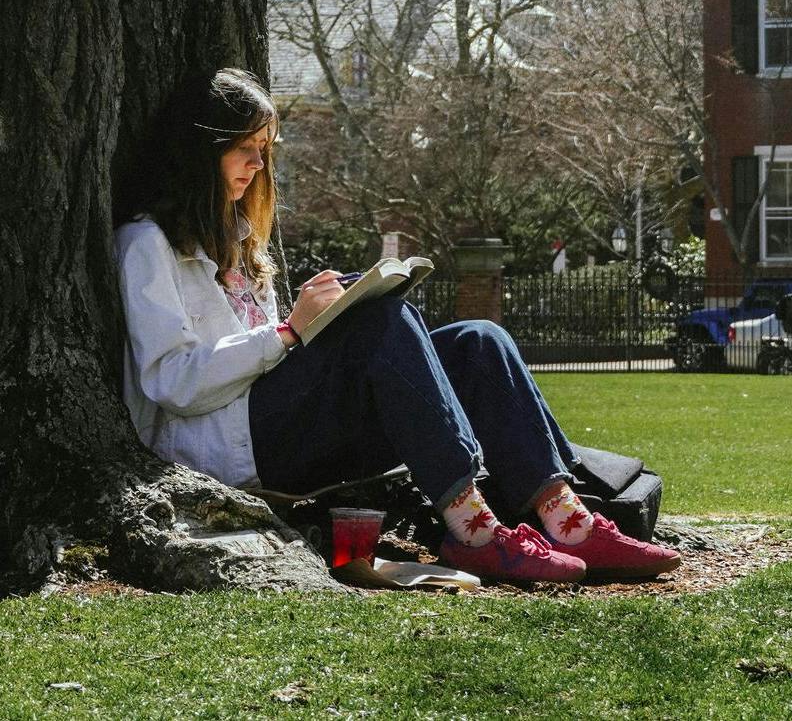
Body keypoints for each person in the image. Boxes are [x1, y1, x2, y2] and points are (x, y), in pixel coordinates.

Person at [113, 68, 679, 585]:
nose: (258, 167)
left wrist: (323, 318)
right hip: (222, 448)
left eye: (264, 151)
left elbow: (272, 358)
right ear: (199, 152)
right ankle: (474, 530)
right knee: (381, 324)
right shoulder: (147, 245)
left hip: (275, 418)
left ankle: (569, 518)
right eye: (243, 149)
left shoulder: (237, 240)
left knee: (479, 342)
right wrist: (289, 333)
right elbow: (173, 382)